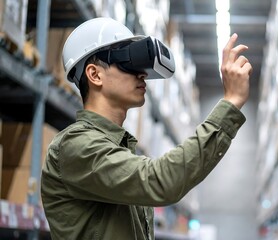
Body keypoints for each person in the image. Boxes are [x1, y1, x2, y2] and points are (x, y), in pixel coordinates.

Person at [40, 17, 252, 240]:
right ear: (94, 74)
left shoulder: (119, 150)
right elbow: (160, 180)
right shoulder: (76, 145)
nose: (142, 74)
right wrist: (231, 102)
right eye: (127, 63)